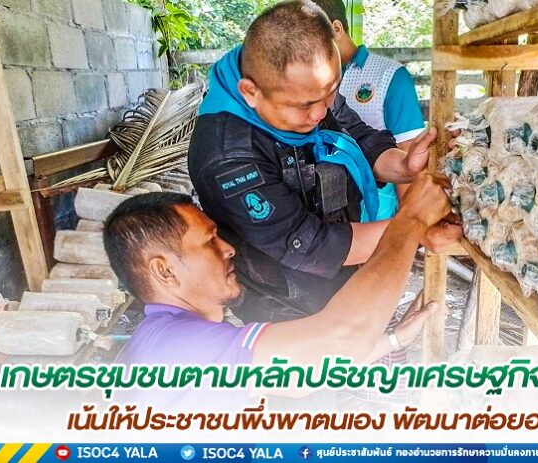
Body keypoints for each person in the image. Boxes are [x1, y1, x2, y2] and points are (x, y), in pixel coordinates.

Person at [188, 0, 459, 324]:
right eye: (304, 105)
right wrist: (414, 227)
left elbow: (357, 134)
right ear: (250, 92)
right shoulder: (227, 156)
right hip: (286, 308)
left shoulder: (305, 84)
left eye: (330, 92)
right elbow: (310, 244)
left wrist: (403, 166)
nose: (320, 113)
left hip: (345, 277)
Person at [105, 173, 461, 408]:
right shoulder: (181, 347)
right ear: (165, 270)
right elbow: (339, 338)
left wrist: (395, 339)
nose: (228, 249)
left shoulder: (170, 337)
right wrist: (411, 221)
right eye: (209, 241)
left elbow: (302, 375)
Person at [314, 0, 426, 221]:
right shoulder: (308, 76)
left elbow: (408, 156)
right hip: (327, 204)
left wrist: (408, 222)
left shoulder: (390, 76)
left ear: (336, 28)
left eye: (311, 36)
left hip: (377, 207)